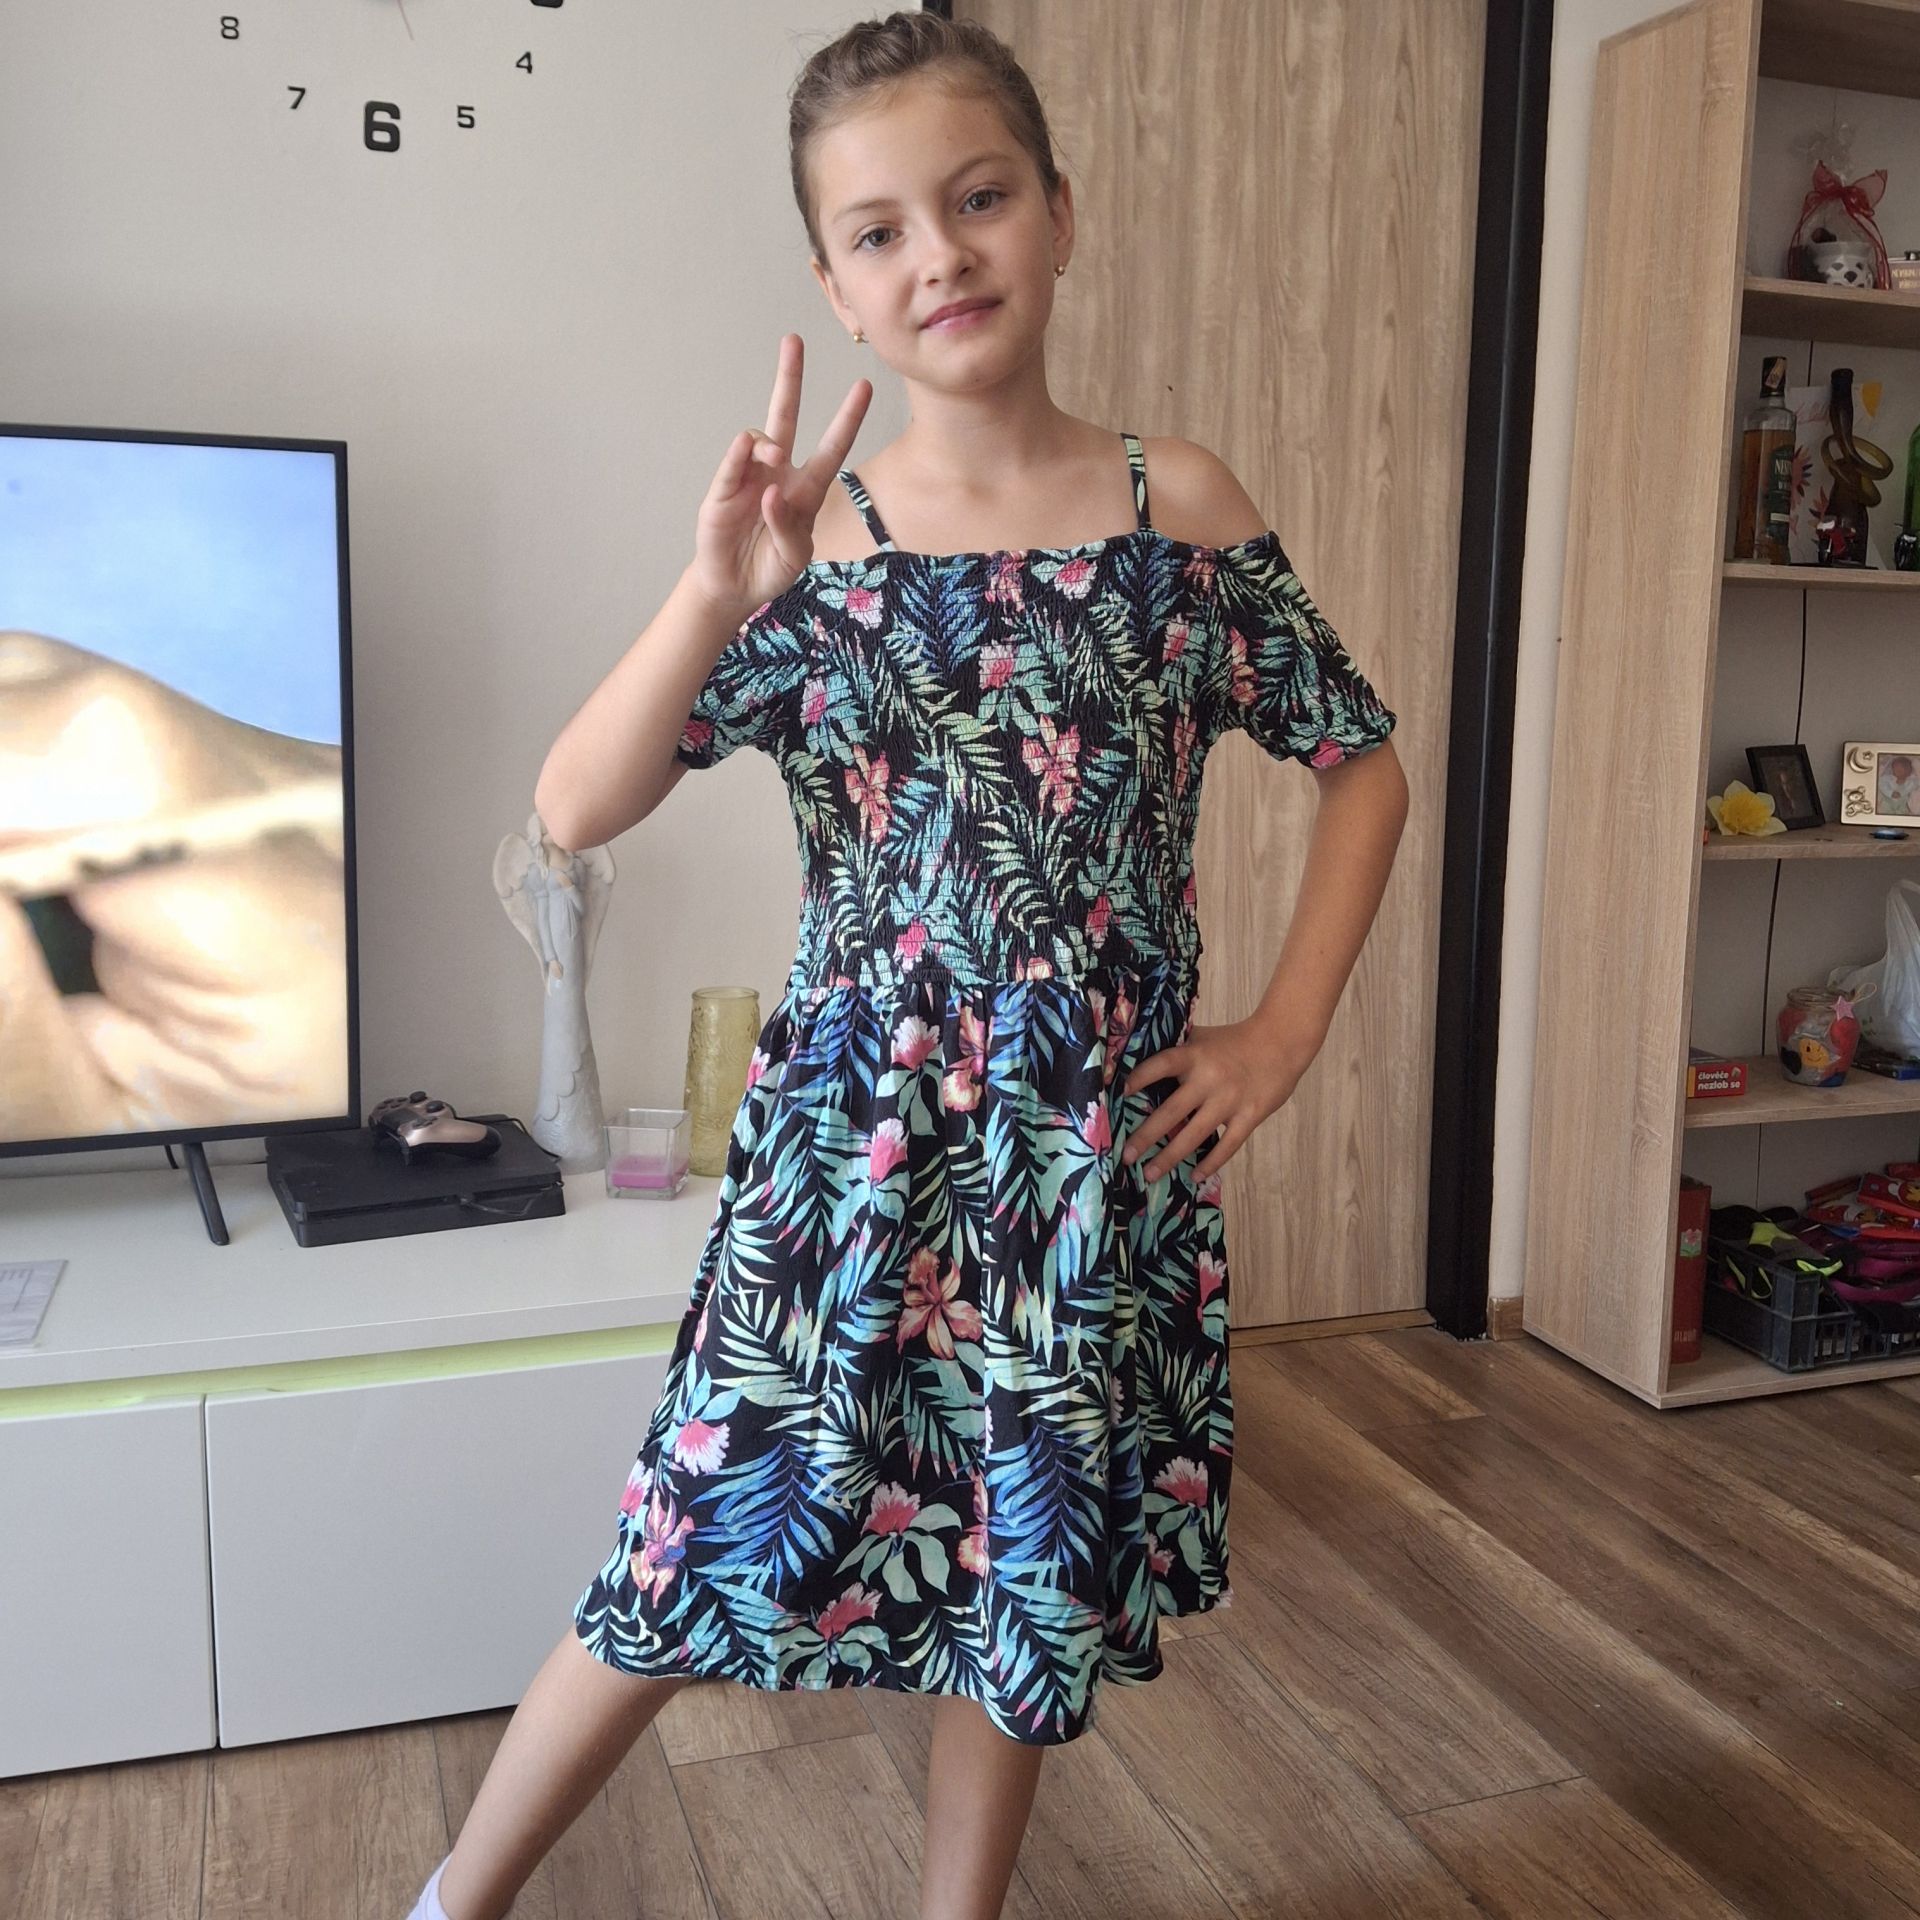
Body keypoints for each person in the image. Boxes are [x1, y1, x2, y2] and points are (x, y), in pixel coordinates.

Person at [409, 13, 1406, 1919]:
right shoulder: (816, 547)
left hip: (1083, 1166)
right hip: (848, 1165)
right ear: (835, 286)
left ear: (1059, 214)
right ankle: (455, 1903)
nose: (938, 255)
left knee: (1011, 1587)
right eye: (879, 232)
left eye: (979, 199)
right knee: (684, 1550)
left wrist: (1283, 1032)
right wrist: (719, 585)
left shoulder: (1179, 510)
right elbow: (574, 803)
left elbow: (1363, 763)